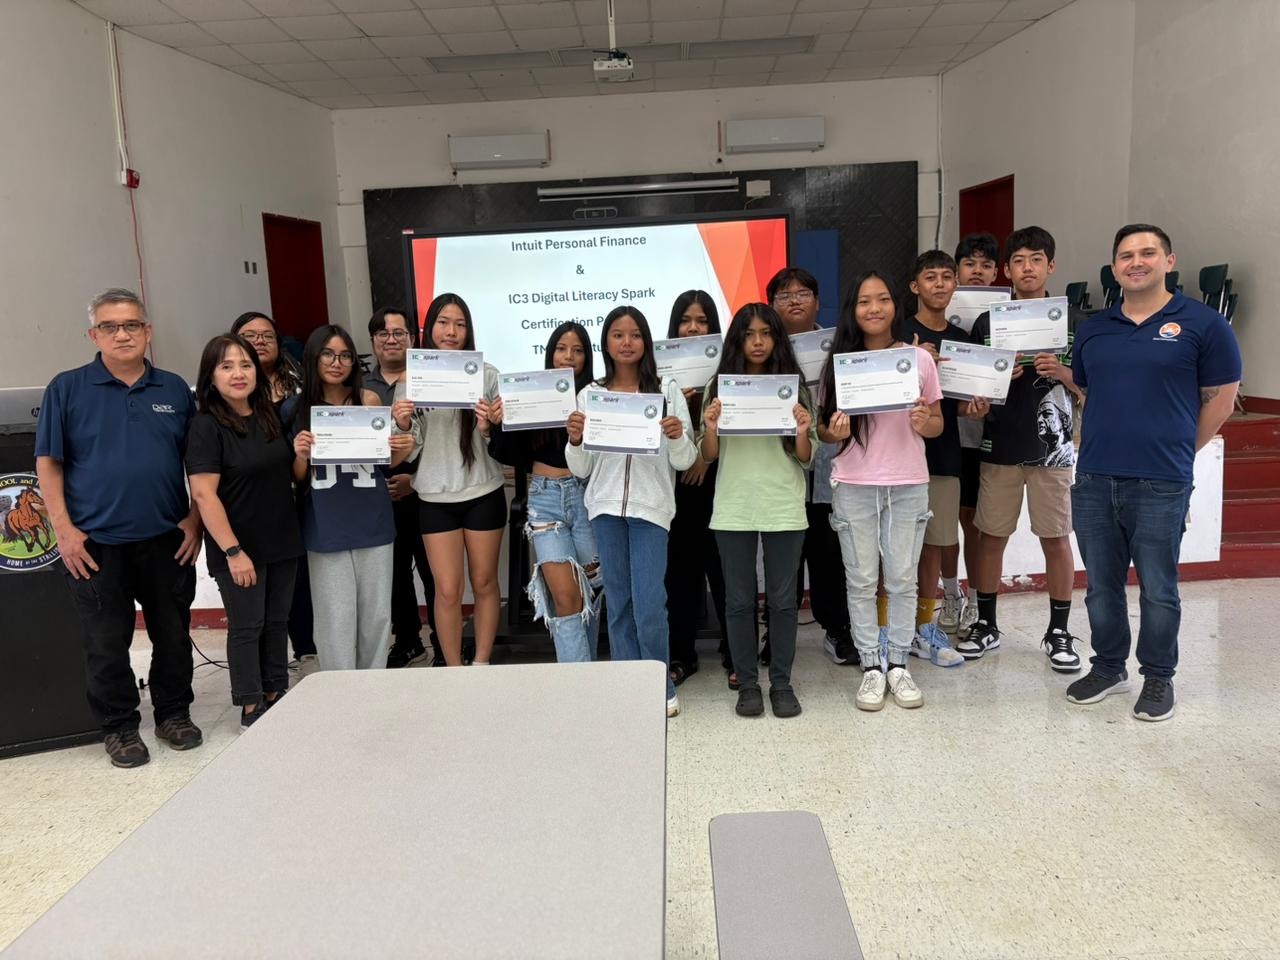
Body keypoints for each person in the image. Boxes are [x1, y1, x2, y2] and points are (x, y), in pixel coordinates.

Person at [1067, 224, 1240, 721]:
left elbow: (1223, 400)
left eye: (1147, 253)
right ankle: (1108, 667)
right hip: (1096, 477)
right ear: (1114, 266)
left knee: (1159, 587)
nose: (1135, 262)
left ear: (1169, 261)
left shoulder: (1203, 325)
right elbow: (1086, 390)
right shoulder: (1095, 328)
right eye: (1125, 255)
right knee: (1101, 584)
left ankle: (1159, 678)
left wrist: (1180, 452)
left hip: (1162, 481)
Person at [35, 288, 204, 768]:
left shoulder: (173, 390)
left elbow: (198, 462)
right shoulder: (66, 389)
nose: (122, 334)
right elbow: (49, 464)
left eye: (132, 325)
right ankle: (119, 727)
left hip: (168, 541)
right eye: (110, 326)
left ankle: (173, 714)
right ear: (94, 334)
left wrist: (193, 516)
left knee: (173, 634)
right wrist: (63, 531)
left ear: (148, 332)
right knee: (107, 644)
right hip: (95, 545)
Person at [957, 226, 1086, 672]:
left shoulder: (1076, 324)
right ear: (1006, 270)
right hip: (1000, 444)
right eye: (1018, 260)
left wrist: (1066, 374)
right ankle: (987, 624)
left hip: (1054, 451)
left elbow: (1095, 389)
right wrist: (988, 388)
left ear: (1051, 266)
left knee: (1056, 539)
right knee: (991, 536)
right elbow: (970, 396)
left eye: (1036, 259)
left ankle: (1059, 631)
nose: (1026, 268)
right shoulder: (988, 323)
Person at [818, 272, 943, 711]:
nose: (874, 308)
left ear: (895, 306)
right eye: (864, 301)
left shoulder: (918, 360)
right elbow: (824, 431)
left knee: (903, 579)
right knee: (862, 580)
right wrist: (835, 432)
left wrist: (924, 421)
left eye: (883, 299)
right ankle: (871, 666)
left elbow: (938, 424)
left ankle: (900, 663)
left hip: (908, 483)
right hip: (855, 485)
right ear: (852, 310)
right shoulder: (840, 363)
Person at [566, 306, 696, 718]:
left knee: (650, 602)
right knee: (619, 600)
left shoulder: (667, 391)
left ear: (646, 342)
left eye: (635, 334)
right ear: (606, 343)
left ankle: (660, 682)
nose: (627, 342)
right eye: (618, 335)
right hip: (604, 509)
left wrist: (676, 436)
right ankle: (626, 680)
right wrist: (574, 440)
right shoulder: (590, 395)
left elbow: (685, 458)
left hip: (651, 509)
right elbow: (581, 469)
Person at [699, 303, 816, 718]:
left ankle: (781, 684)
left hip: (783, 503)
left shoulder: (794, 387)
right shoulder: (720, 388)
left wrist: (802, 431)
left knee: (785, 602)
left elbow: (806, 458)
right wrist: (711, 429)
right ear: (737, 340)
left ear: (777, 338)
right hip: (734, 505)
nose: (758, 342)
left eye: (766, 333)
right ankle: (747, 684)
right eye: (749, 334)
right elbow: (709, 455)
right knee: (739, 601)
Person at [186, 334, 303, 728]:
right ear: (211, 376)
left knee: (276, 621)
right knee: (247, 625)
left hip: (282, 538)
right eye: (227, 366)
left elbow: (289, 474)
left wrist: (303, 453)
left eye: (246, 365)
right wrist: (234, 552)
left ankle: (276, 691)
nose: (238, 374)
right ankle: (251, 704)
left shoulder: (270, 415)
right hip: (238, 546)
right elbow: (204, 495)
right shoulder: (205, 426)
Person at [286, 325, 411, 671]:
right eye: (328, 354)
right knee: (334, 617)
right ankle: (340, 691)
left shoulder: (368, 401)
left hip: (372, 517)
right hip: (325, 523)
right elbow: (296, 478)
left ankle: (372, 685)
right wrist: (300, 455)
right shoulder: (295, 409)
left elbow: (383, 463)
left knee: (376, 615)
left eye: (344, 355)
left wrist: (403, 445)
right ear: (313, 358)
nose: (337, 362)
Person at [394, 294, 506, 666]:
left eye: (460, 324)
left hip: (483, 491)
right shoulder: (411, 380)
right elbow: (408, 451)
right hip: (434, 497)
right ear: (430, 328)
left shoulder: (487, 375)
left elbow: (500, 443)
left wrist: (490, 425)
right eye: (444, 322)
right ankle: (454, 669)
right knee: (446, 591)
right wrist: (404, 423)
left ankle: (482, 663)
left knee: (485, 582)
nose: (451, 331)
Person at [488, 322, 601, 662]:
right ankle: (578, 686)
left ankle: (592, 674)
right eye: (562, 348)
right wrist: (499, 423)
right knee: (566, 598)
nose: (569, 356)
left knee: (590, 595)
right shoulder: (531, 395)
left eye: (578, 350)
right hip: (545, 501)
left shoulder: (594, 395)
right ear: (550, 354)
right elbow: (510, 454)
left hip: (587, 498)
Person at [768, 267, 857, 667]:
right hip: (778, 471)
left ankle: (837, 629)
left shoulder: (838, 346)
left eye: (803, 293)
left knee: (827, 555)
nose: (794, 301)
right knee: (781, 561)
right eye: (784, 295)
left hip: (826, 471)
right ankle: (777, 632)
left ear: (817, 302)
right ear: (772, 305)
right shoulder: (762, 348)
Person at [230, 310, 315, 666]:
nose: (260, 341)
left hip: (300, 496)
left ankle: (306, 651)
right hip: (251, 501)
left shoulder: (303, 382)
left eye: (267, 335)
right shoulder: (228, 391)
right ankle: (265, 668)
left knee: (298, 582)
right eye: (251, 335)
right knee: (259, 587)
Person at [364, 306, 442, 668]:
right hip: (378, 494)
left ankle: (444, 642)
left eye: (399, 332)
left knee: (433, 572)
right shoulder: (362, 387)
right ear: (374, 341)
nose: (391, 339)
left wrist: (415, 479)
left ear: (413, 338)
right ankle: (408, 640)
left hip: (424, 490)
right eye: (383, 333)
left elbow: (442, 438)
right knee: (393, 573)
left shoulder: (431, 380)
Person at [901, 251, 966, 668]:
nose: (939, 284)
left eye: (947, 277)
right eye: (930, 277)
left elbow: (960, 403)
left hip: (943, 455)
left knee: (931, 549)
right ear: (915, 286)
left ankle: (925, 627)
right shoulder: (898, 336)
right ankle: (892, 628)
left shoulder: (964, 338)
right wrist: (908, 360)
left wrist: (976, 405)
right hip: (895, 458)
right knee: (894, 551)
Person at [663, 290, 729, 686]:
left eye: (701, 321)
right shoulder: (660, 375)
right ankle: (682, 654)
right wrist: (678, 405)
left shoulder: (728, 370)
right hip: (677, 488)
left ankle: (734, 651)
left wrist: (705, 457)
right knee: (680, 574)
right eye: (686, 321)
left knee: (725, 572)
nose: (693, 328)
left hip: (721, 482)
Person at [947, 233, 1002, 636]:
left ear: (997, 273)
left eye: (985, 265)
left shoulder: (1009, 317)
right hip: (952, 435)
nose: (978, 271)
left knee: (979, 527)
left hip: (994, 436)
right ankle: (952, 594)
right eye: (970, 264)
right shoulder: (938, 314)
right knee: (951, 521)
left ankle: (979, 604)